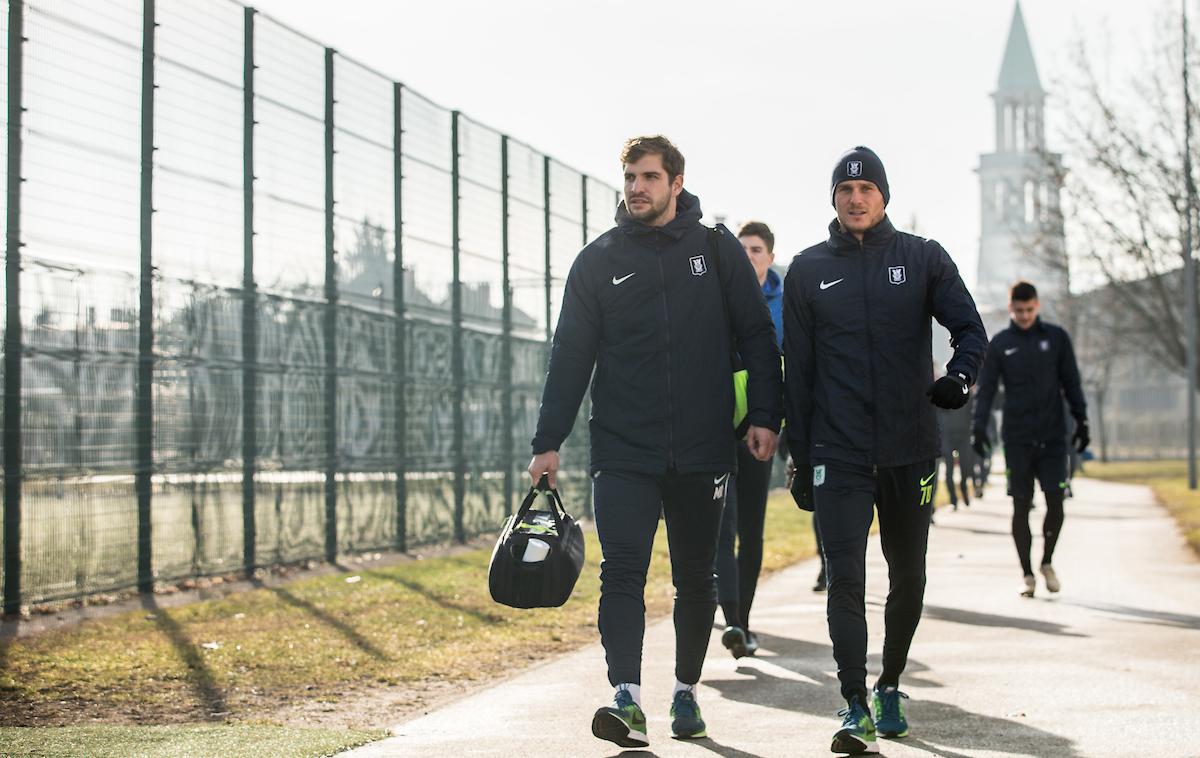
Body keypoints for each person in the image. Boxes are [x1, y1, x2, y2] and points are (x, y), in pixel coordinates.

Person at [528, 135, 783, 748]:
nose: (636, 188)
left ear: (675, 182)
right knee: (621, 572)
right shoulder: (598, 260)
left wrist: (766, 417)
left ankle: (687, 692)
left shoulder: (716, 251)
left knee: (697, 579)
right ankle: (626, 697)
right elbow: (570, 358)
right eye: (629, 179)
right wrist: (548, 441)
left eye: (648, 177)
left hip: (702, 448)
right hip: (623, 448)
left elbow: (755, 334)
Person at [783, 146, 987, 754]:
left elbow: (970, 327)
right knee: (846, 580)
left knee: (910, 577)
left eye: (867, 189)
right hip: (838, 452)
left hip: (909, 447)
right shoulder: (807, 269)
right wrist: (801, 455)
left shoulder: (922, 258)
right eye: (845, 191)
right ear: (834, 200)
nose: (855, 198)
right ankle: (852, 706)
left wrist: (961, 376)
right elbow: (799, 374)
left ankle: (889, 682)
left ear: (884, 197)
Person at [971, 280, 1088, 598]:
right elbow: (987, 390)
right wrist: (978, 426)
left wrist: (1082, 419)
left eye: (1029, 310)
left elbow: (1072, 382)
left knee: (1056, 502)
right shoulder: (1001, 343)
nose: (1024, 315)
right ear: (1011, 308)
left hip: (1053, 437)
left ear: (1037, 306)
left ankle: (1047, 561)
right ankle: (1026, 573)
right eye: (1018, 310)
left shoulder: (1056, 338)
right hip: (1018, 438)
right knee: (1020, 505)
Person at [715, 221, 784, 659]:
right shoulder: (717, 295)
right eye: (741, 250)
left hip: (762, 430)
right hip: (718, 431)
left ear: (770, 257)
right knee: (723, 527)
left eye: (756, 250)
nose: (748, 256)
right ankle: (734, 622)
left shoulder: (787, 303)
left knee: (752, 530)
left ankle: (745, 617)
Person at [938, 392, 974, 510]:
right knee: (949, 472)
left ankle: (963, 488)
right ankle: (953, 499)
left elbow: (973, 412)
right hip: (948, 437)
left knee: (965, 467)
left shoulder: (967, 393)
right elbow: (938, 414)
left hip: (964, 436)